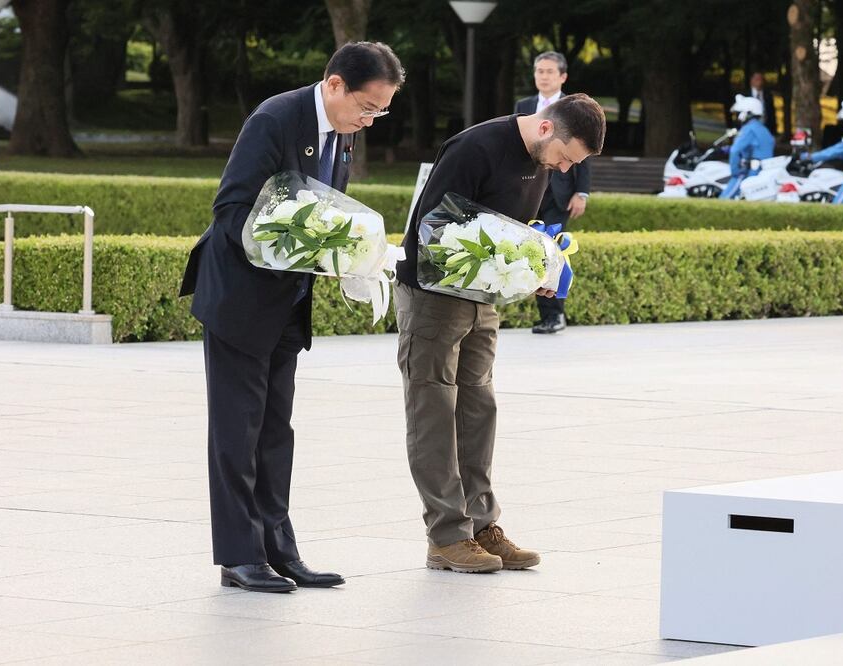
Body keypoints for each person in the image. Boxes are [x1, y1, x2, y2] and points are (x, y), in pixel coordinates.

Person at [180, 42, 404, 593]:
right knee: (238, 429)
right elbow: (232, 210)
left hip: (287, 301)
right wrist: (288, 247)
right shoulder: (275, 119)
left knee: (276, 429)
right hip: (239, 295)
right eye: (369, 107)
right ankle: (239, 555)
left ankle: (280, 547)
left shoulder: (342, 135)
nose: (370, 120)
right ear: (334, 85)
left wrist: (348, 255)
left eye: (381, 111)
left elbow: (328, 215)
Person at [395, 94, 605, 573]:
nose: (565, 167)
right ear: (548, 130)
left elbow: (510, 227)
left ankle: (482, 524)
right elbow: (432, 229)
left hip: (482, 298)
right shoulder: (475, 147)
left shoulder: (542, 160)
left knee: (478, 407)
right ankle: (446, 536)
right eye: (567, 157)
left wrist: (537, 263)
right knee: (434, 409)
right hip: (434, 294)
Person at [514, 51, 592, 334]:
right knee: (530, 250)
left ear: (562, 76)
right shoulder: (524, 106)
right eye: (539, 71)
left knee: (554, 250)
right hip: (530, 187)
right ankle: (540, 313)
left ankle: (554, 315)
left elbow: (585, 153)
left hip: (560, 192)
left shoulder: (575, 108)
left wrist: (581, 192)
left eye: (549, 71)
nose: (543, 76)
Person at [719, 94, 774, 200]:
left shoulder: (748, 129)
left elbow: (735, 150)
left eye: (739, 113)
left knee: (724, 199)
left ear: (746, 113)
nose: (738, 116)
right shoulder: (763, 129)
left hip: (752, 171)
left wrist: (735, 172)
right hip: (765, 171)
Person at [749, 72, 777, 136]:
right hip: (750, 130)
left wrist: (773, 131)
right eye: (756, 79)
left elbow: (772, 114)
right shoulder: (745, 95)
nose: (759, 82)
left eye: (760, 79)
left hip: (765, 129)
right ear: (751, 80)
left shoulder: (768, 95)